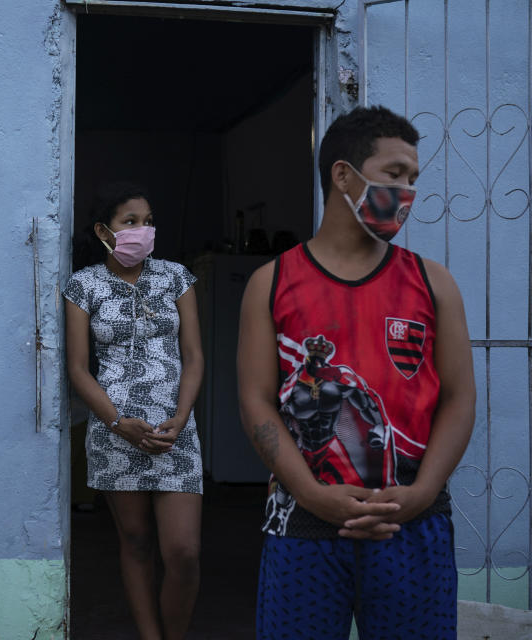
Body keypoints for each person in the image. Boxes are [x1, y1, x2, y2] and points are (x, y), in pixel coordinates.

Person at [237, 106, 475, 639]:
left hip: (412, 521)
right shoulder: (271, 282)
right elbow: (256, 400)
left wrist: (421, 491)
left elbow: (459, 398)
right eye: (394, 174)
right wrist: (311, 493)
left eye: (414, 178)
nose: (407, 192)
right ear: (343, 174)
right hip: (300, 524)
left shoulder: (433, 283)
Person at [64, 182, 204, 640]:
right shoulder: (83, 285)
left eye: (148, 221)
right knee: (136, 541)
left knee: (183, 551)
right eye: (131, 222)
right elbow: (79, 368)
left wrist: (182, 418)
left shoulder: (176, 276)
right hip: (115, 432)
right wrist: (118, 423)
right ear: (105, 231)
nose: (143, 230)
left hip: (173, 430)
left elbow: (194, 356)